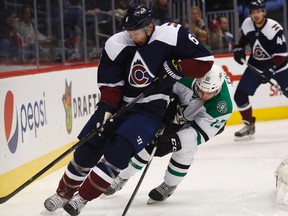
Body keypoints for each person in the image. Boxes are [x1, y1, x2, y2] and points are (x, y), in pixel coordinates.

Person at [43, 4, 214, 216]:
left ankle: (82, 198)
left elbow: (205, 61)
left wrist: (178, 68)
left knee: (118, 153)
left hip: (150, 109)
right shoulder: (116, 43)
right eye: (129, 32)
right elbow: (110, 84)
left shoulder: (172, 35)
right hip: (117, 105)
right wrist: (106, 108)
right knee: (89, 146)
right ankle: (63, 193)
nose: (132, 36)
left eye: (137, 32)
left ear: (150, 27)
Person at [103, 64, 234, 203]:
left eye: (209, 93)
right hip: (178, 108)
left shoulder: (223, 106)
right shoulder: (185, 78)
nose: (204, 96)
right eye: (201, 90)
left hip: (200, 122)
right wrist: (166, 102)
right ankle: (122, 177)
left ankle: (170, 185)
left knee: (186, 148)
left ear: (218, 89)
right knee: (149, 143)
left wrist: (173, 142)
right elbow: (161, 87)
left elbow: (198, 134)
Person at [232, 0, 288, 141]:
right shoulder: (247, 24)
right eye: (253, 12)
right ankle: (249, 125)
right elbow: (244, 39)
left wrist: (271, 69)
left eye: (259, 11)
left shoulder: (274, 28)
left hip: (280, 66)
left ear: (264, 12)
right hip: (256, 65)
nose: (256, 15)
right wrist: (239, 48)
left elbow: (281, 54)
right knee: (240, 95)